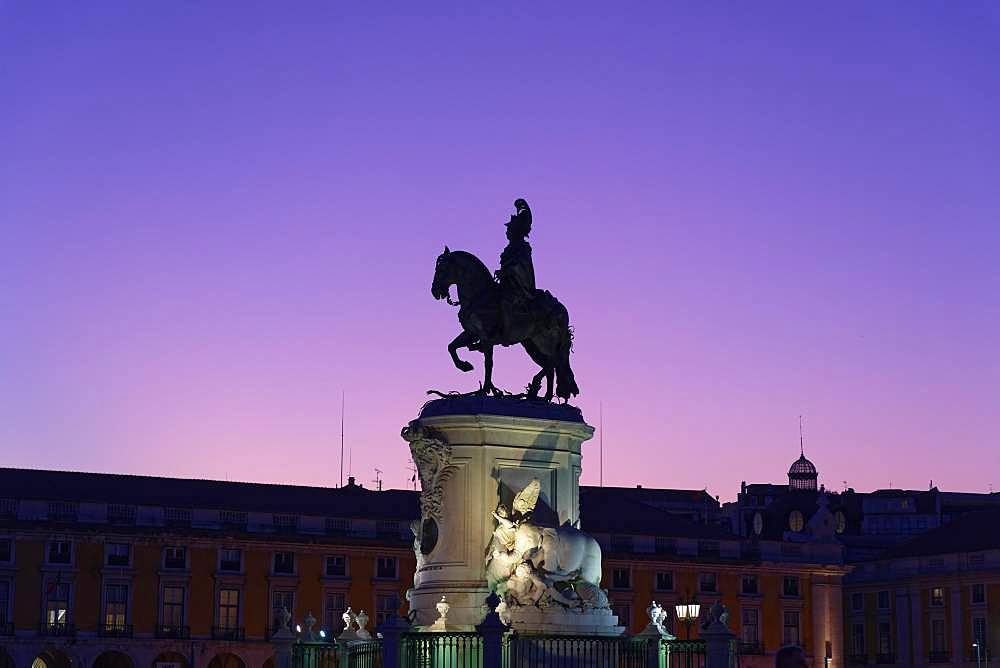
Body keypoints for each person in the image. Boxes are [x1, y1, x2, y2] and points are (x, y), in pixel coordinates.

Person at [494, 198, 536, 343]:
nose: (507, 231)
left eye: (509, 229)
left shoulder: (522, 247)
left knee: (506, 302)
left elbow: (521, 266)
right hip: (507, 284)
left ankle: (506, 333)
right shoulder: (510, 248)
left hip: (519, 288)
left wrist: (507, 271)